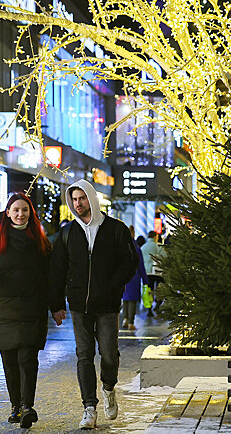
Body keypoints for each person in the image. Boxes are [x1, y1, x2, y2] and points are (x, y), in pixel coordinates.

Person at [49, 179, 136, 430]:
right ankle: (89, 407)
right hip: (78, 306)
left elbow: (128, 264)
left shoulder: (116, 229)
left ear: (92, 199)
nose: (78, 204)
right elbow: (57, 270)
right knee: (84, 355)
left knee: (109, 354)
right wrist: (56, 304)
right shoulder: (67, 233)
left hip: (107, 305)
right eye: (74, 200)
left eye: (82, 198)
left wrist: (111, 285)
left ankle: (109, 387)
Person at [0, 193, 52, 429]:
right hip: (4, 308)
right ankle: (15, 406)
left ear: (31, 213)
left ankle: (27, 406)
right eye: (16, 210)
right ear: (8, 213)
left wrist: (57, 305)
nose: (21, 214)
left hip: (32, 307)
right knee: (9, 359)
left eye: (25, 210)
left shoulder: (40, 241)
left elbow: (50, 275)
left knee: (28, 358)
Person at [121, 236, 148, 330]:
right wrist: (145, 280)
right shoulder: (137, 249)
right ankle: (131, 322)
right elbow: (141, 266)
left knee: (125, 298)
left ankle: (125, 319)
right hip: (134, 277)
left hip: (123, 276)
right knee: (132, 300)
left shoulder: (121, 248)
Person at [140, 231, 166, 317]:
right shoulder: (158, 247)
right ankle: (158, 305)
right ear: (155, 237)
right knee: (159, 289)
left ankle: (149, 309)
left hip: (147, 272)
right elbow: (165, 257)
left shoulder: (143, 247)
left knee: (149, 291)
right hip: (158, 272)